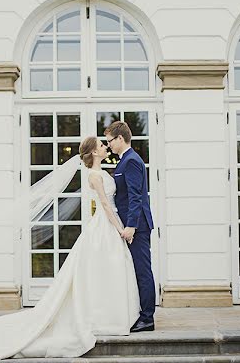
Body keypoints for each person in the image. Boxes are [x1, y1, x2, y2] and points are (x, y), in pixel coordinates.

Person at [0, 137, 139, 359]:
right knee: (104, 268)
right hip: (105, 224)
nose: (105, 147)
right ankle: (103, 317)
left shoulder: (102, 172)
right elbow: (104, 204)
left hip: (107, 223)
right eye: (102, 145)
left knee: (107, 270)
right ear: (94, 152)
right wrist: (120, 228)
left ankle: (111, 314)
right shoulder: (94, 175)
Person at [105, 120, 156, 333]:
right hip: (129, 225)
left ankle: (147, 318)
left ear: (120, 138)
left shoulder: (132, 161)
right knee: (134, 270)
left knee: (143, 271)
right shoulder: (123, 160)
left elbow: (136, 197)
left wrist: (132, 227)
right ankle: (140, 313)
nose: (108, 145)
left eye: (110, 141)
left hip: (137, 227)